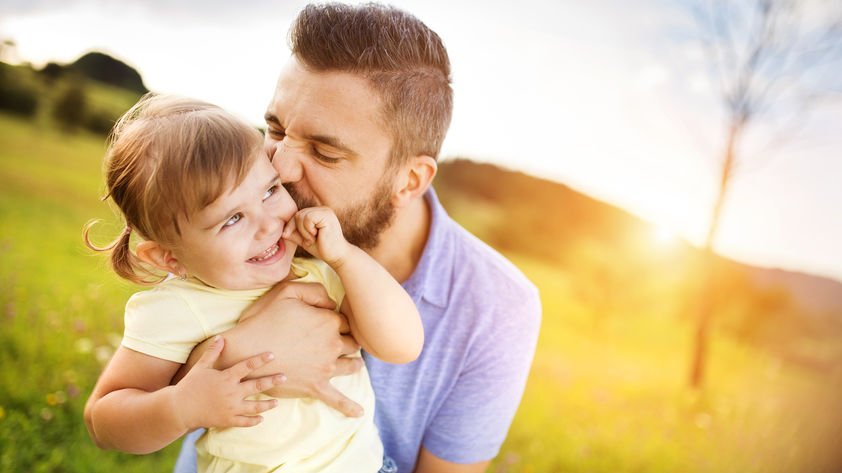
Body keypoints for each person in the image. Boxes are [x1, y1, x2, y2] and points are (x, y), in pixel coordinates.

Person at [173, 3, 542, 472]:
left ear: (408, 181)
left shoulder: (499, 307)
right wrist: (248, 354)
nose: (280, 167)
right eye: (276, 129)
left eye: (324, 152)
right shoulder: (252, 231)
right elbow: (130, 406)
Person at [83, 94, 423, 473]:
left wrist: (345, 257)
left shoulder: (317, 269)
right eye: (232, 219)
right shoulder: (177, 308)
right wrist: (179, 405)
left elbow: (402, 346)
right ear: (170, 258)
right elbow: (103, 422)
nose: (268, 224)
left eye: (270, 191)